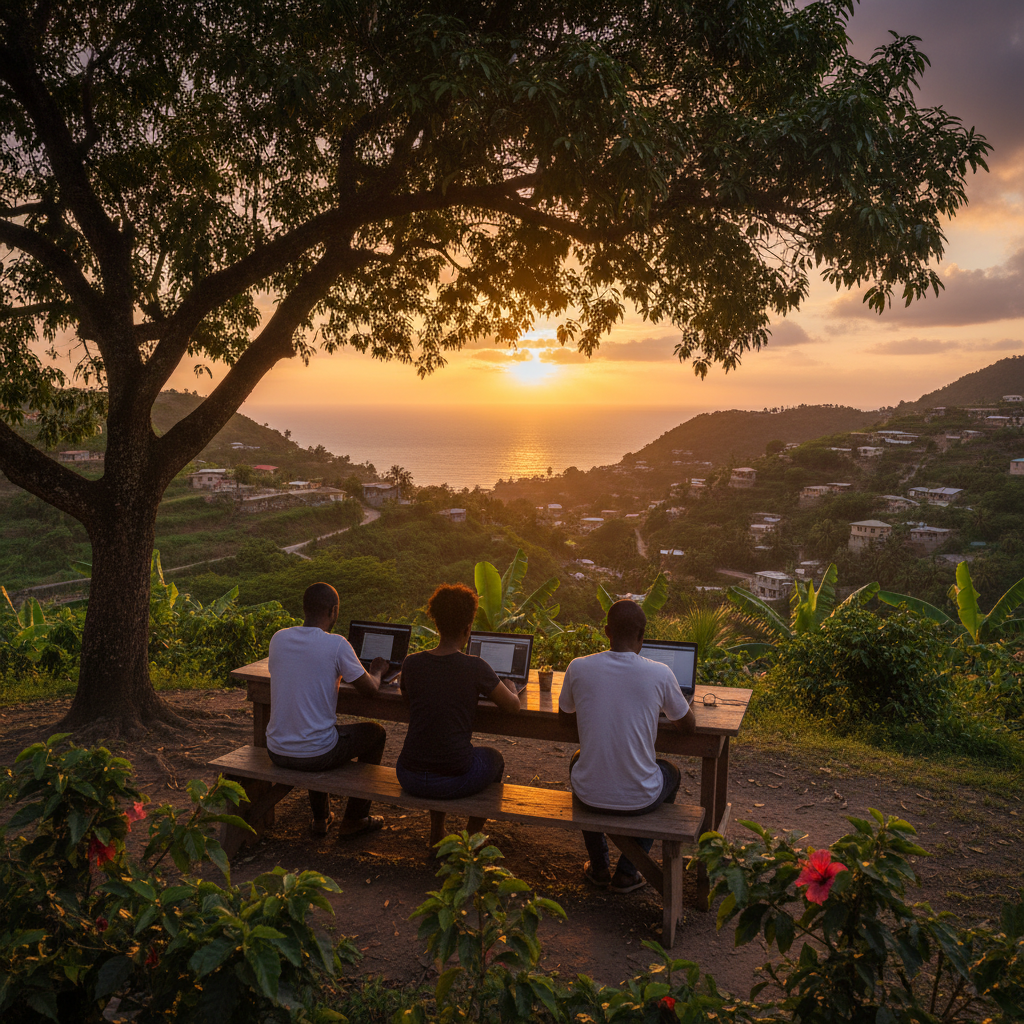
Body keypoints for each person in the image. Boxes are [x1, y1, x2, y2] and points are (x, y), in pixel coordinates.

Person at [558, 599, 695, 893]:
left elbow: (564, 715)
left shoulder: (578, 667)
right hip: (640, 799)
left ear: (606, 631)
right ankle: (628, 871)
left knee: (577, 760)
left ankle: (598, 868)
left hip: (588, 795)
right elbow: (689, 726)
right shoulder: (660, 673)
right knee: (671, 771)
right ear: (642, 635)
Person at [266, 581, 390, 838]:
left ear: (305, 608)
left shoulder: (279, 638)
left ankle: (321, 819)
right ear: (333, 611)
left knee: (315, 728)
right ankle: (356, 817)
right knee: (375, 733)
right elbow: (370, 690)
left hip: (276, 750)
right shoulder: (337, 644)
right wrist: (377, 670)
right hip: (316, 754)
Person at [397, 583, 520, 798]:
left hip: (408, 775)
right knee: (495, 758)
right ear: (468, 628)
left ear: (437, 625)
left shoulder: (411, 663)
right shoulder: (475, 667)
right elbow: (512, 707)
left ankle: (438, 830)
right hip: (452, 779)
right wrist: (511, 687)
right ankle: (473, 832)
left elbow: (409, 701)